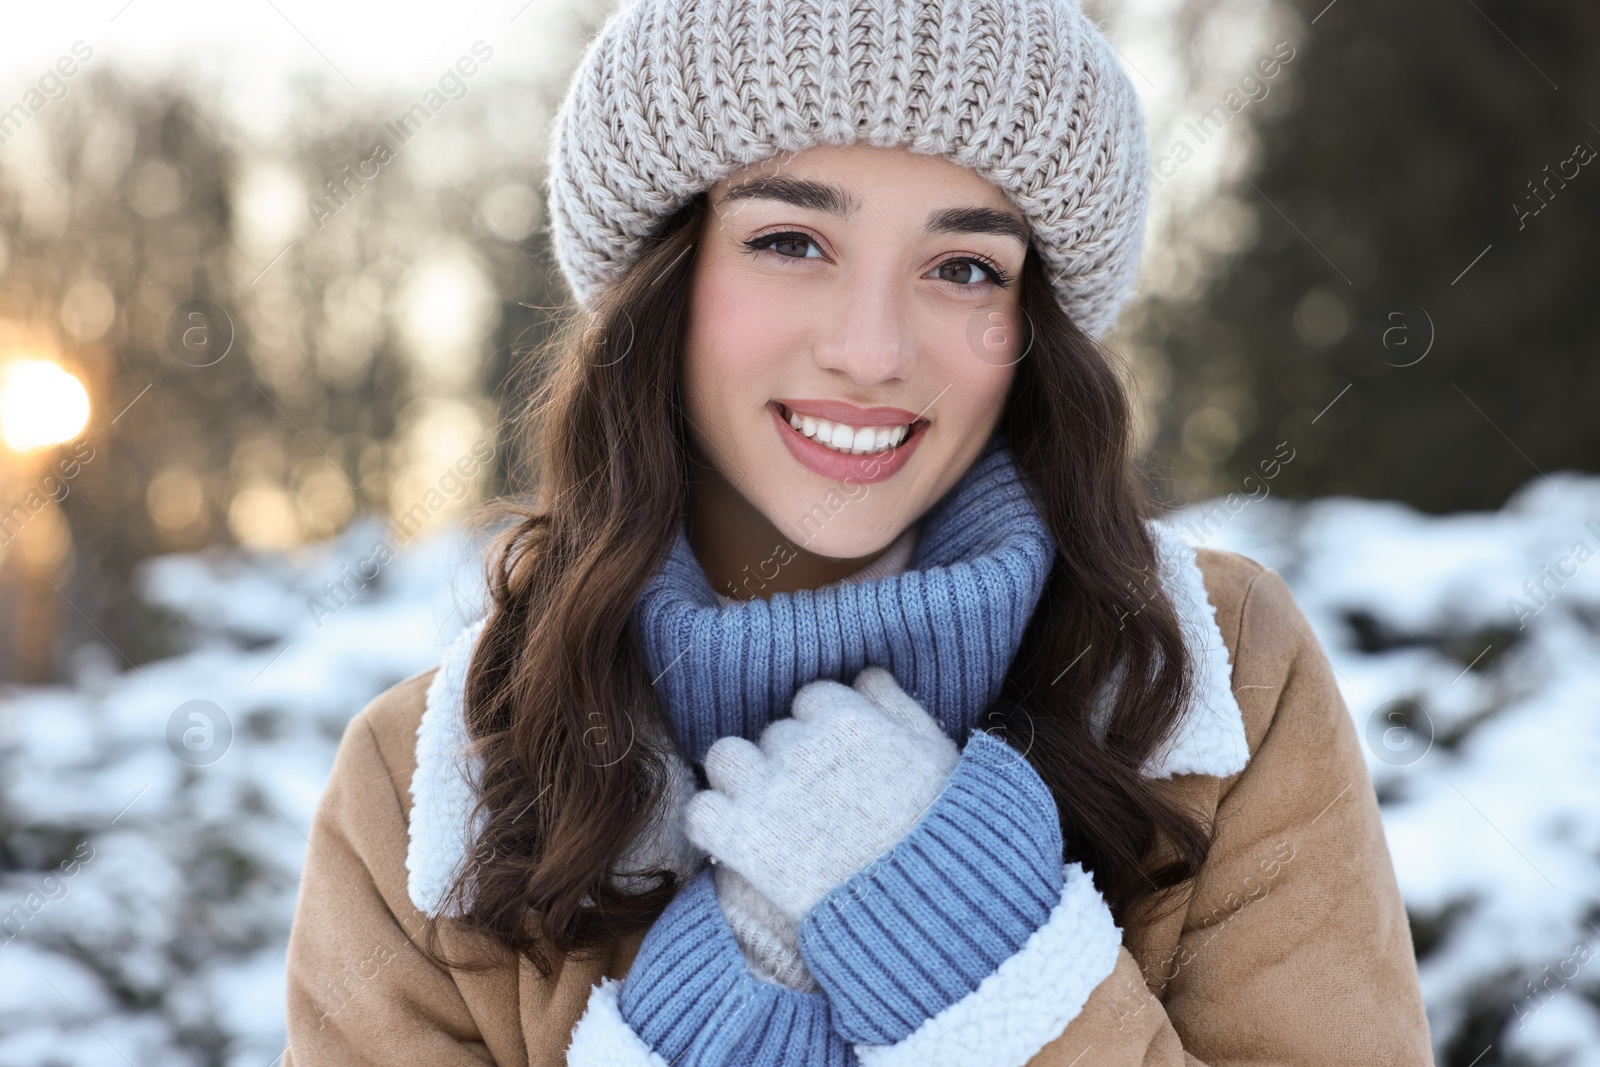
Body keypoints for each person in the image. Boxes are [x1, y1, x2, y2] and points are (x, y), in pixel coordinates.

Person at [282, 0, 1437, 1062]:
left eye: (963, 267)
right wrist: (733, 1004)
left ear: (1031, 325)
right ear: (665, 280)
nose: (874, 349)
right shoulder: (433, 782)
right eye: (791, 241)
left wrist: (970, 949)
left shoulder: (1209, 674)